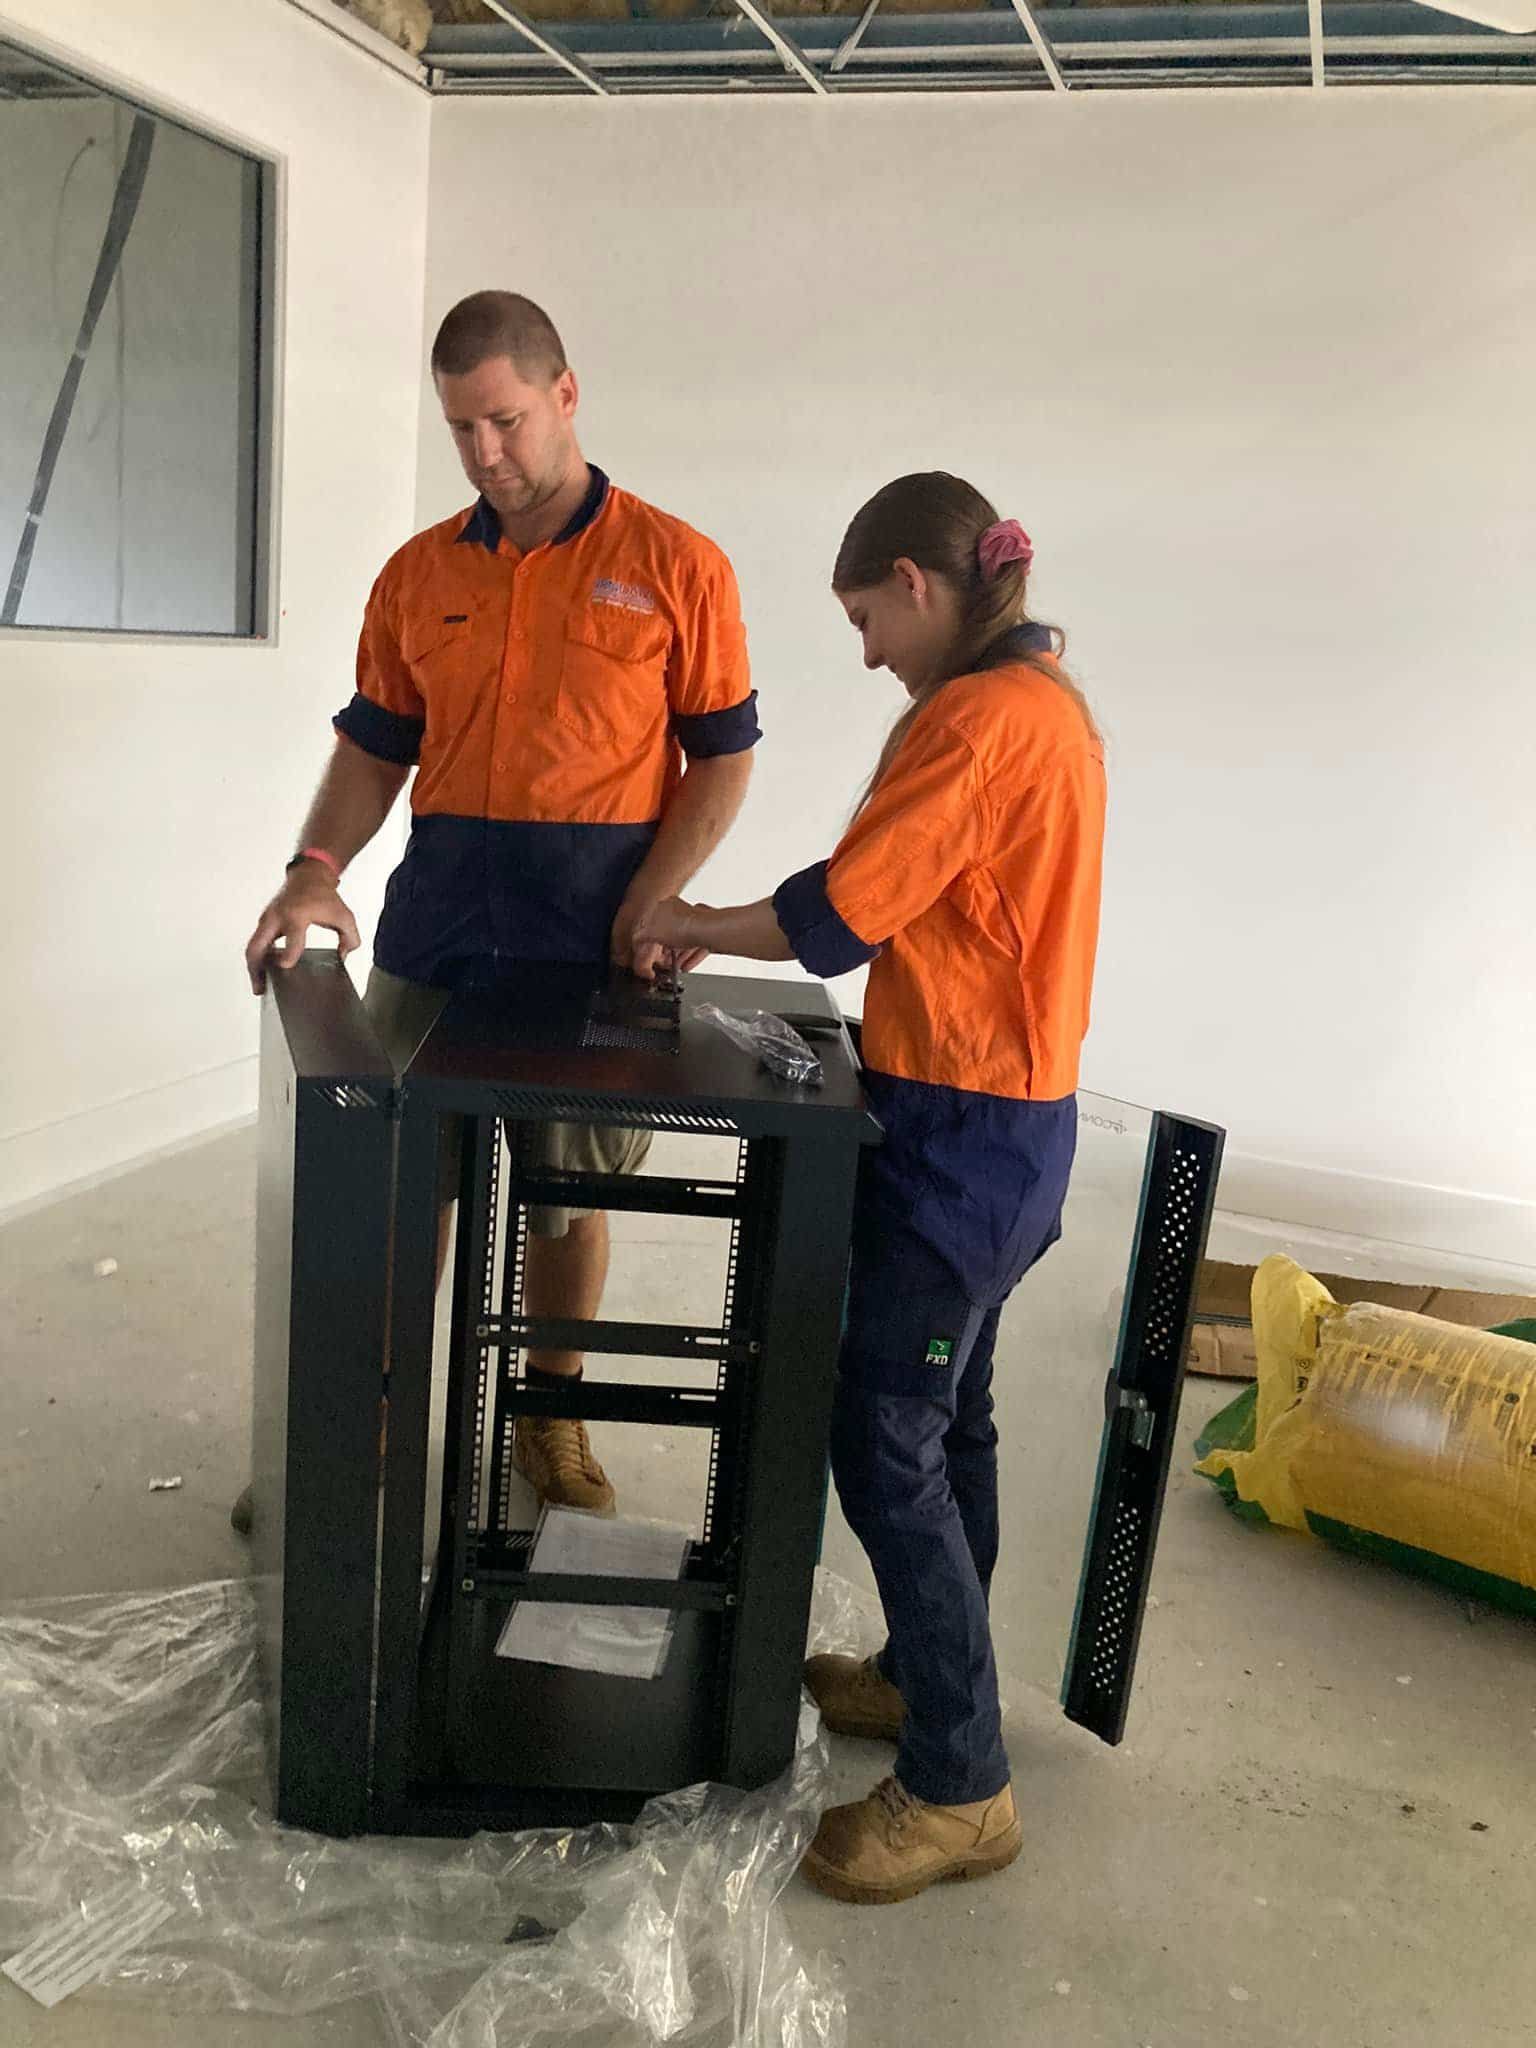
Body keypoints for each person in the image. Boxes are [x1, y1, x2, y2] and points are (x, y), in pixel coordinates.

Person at [636, 472, 1105, 1906]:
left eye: (863, 617)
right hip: (1007, 1121)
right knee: (948, 1422)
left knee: (883, 1435)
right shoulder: (1042, 701)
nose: (865, 651)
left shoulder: (980, 720)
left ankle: (964, 1787)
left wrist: (683, 925)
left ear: (917, 582)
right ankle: (920, 1680)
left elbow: (842, 916)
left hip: (964, 1137)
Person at [243, 290, 758, 1519]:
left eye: (505, 420)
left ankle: (549, 1412)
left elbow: (723, 757)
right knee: (404, 1180)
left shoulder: (677, 566)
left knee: (571, 1195)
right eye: (461, 429)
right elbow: (374, 746)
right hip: (435, 931)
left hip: (587, 941)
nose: (485, 452)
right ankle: (372, 1411)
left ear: (565, 394)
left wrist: (655, 900)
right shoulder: (419, 576)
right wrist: (316, 863)